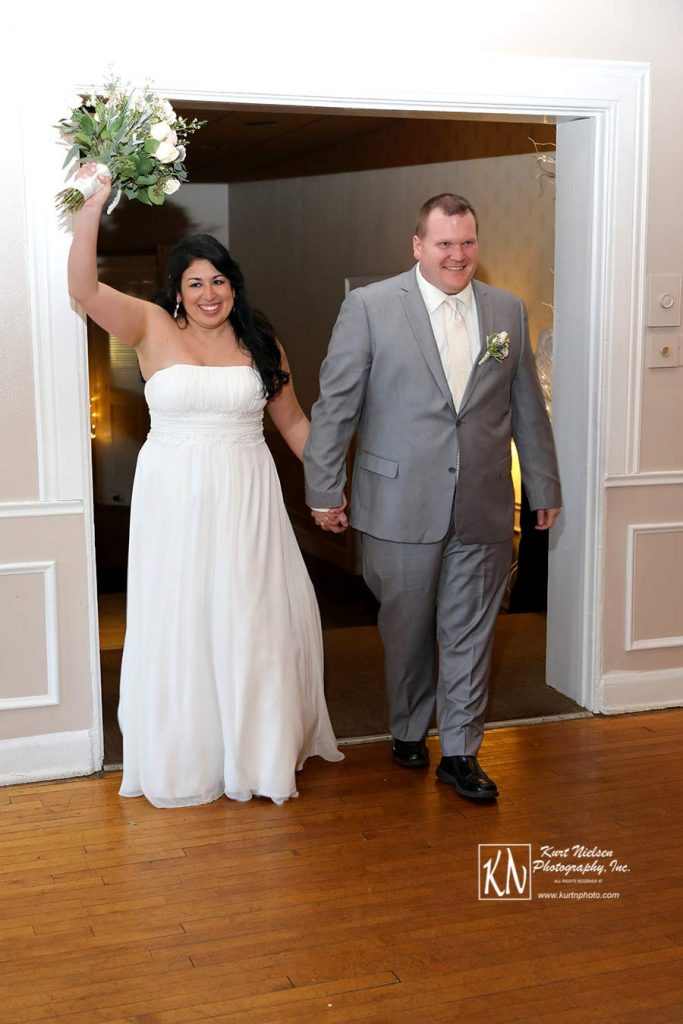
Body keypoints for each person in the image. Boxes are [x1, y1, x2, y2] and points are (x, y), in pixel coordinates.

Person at [68, 164, 343, 808]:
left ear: (233, 286)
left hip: (248, 496)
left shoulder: (260, 343)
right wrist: (92, 205)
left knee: (250, 619)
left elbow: (295, 423)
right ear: (178, 292)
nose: (209, 292)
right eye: (195, 283)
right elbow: (82, 286)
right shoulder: (147, 327)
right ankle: (188, 752)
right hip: (174, 501)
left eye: (218, 279)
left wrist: (331, 487)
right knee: (182, 619)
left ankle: (256, 753)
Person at [303, 192, 561, 801]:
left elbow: (526, 406)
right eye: (444, 243)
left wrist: (543, 485)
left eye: (467, 243)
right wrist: (323, 488)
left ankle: (462, 753)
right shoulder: (368, 308)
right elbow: (336, 406)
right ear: (418, 246)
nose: (458, 255)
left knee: (472, 631)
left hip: (484, 503)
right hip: (395, 504)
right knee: (408, 630)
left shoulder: (507, 311)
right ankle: (407, 727)